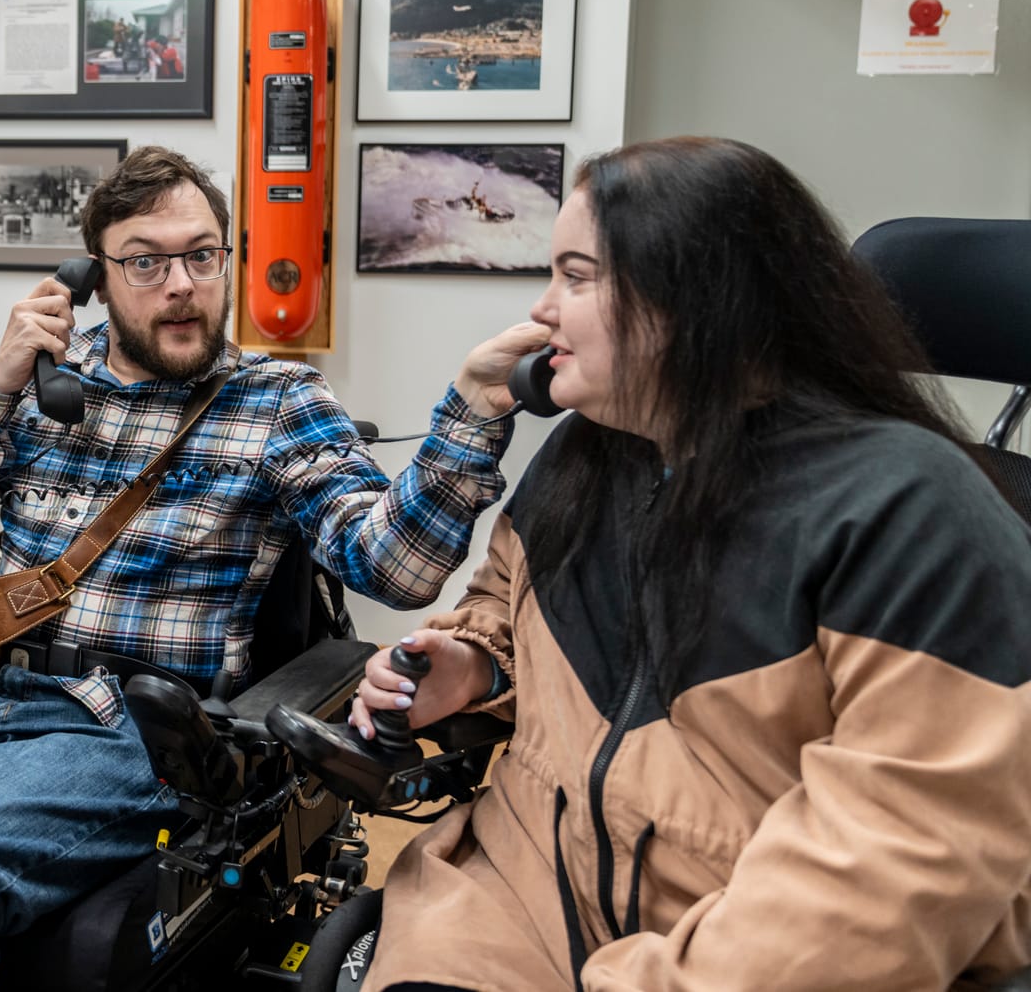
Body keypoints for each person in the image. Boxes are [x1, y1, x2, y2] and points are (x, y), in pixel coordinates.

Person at [0, 146, 547, 992]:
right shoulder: (45, 385)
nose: (180, 283)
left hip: (119, 727)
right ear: (96, 278)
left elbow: (395, 570)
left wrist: (472, 414)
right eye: (145, 261)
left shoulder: (281, 404)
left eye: (201, 254)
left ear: (228, 260)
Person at [350, 137, 1031, 992]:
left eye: (575, 275)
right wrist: (478, 665)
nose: (542, 309)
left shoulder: (910, 513)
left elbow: (892, 871)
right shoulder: (588, 456)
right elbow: (500, 608)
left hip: (738, 941)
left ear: (691, 299)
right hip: (520, 898)